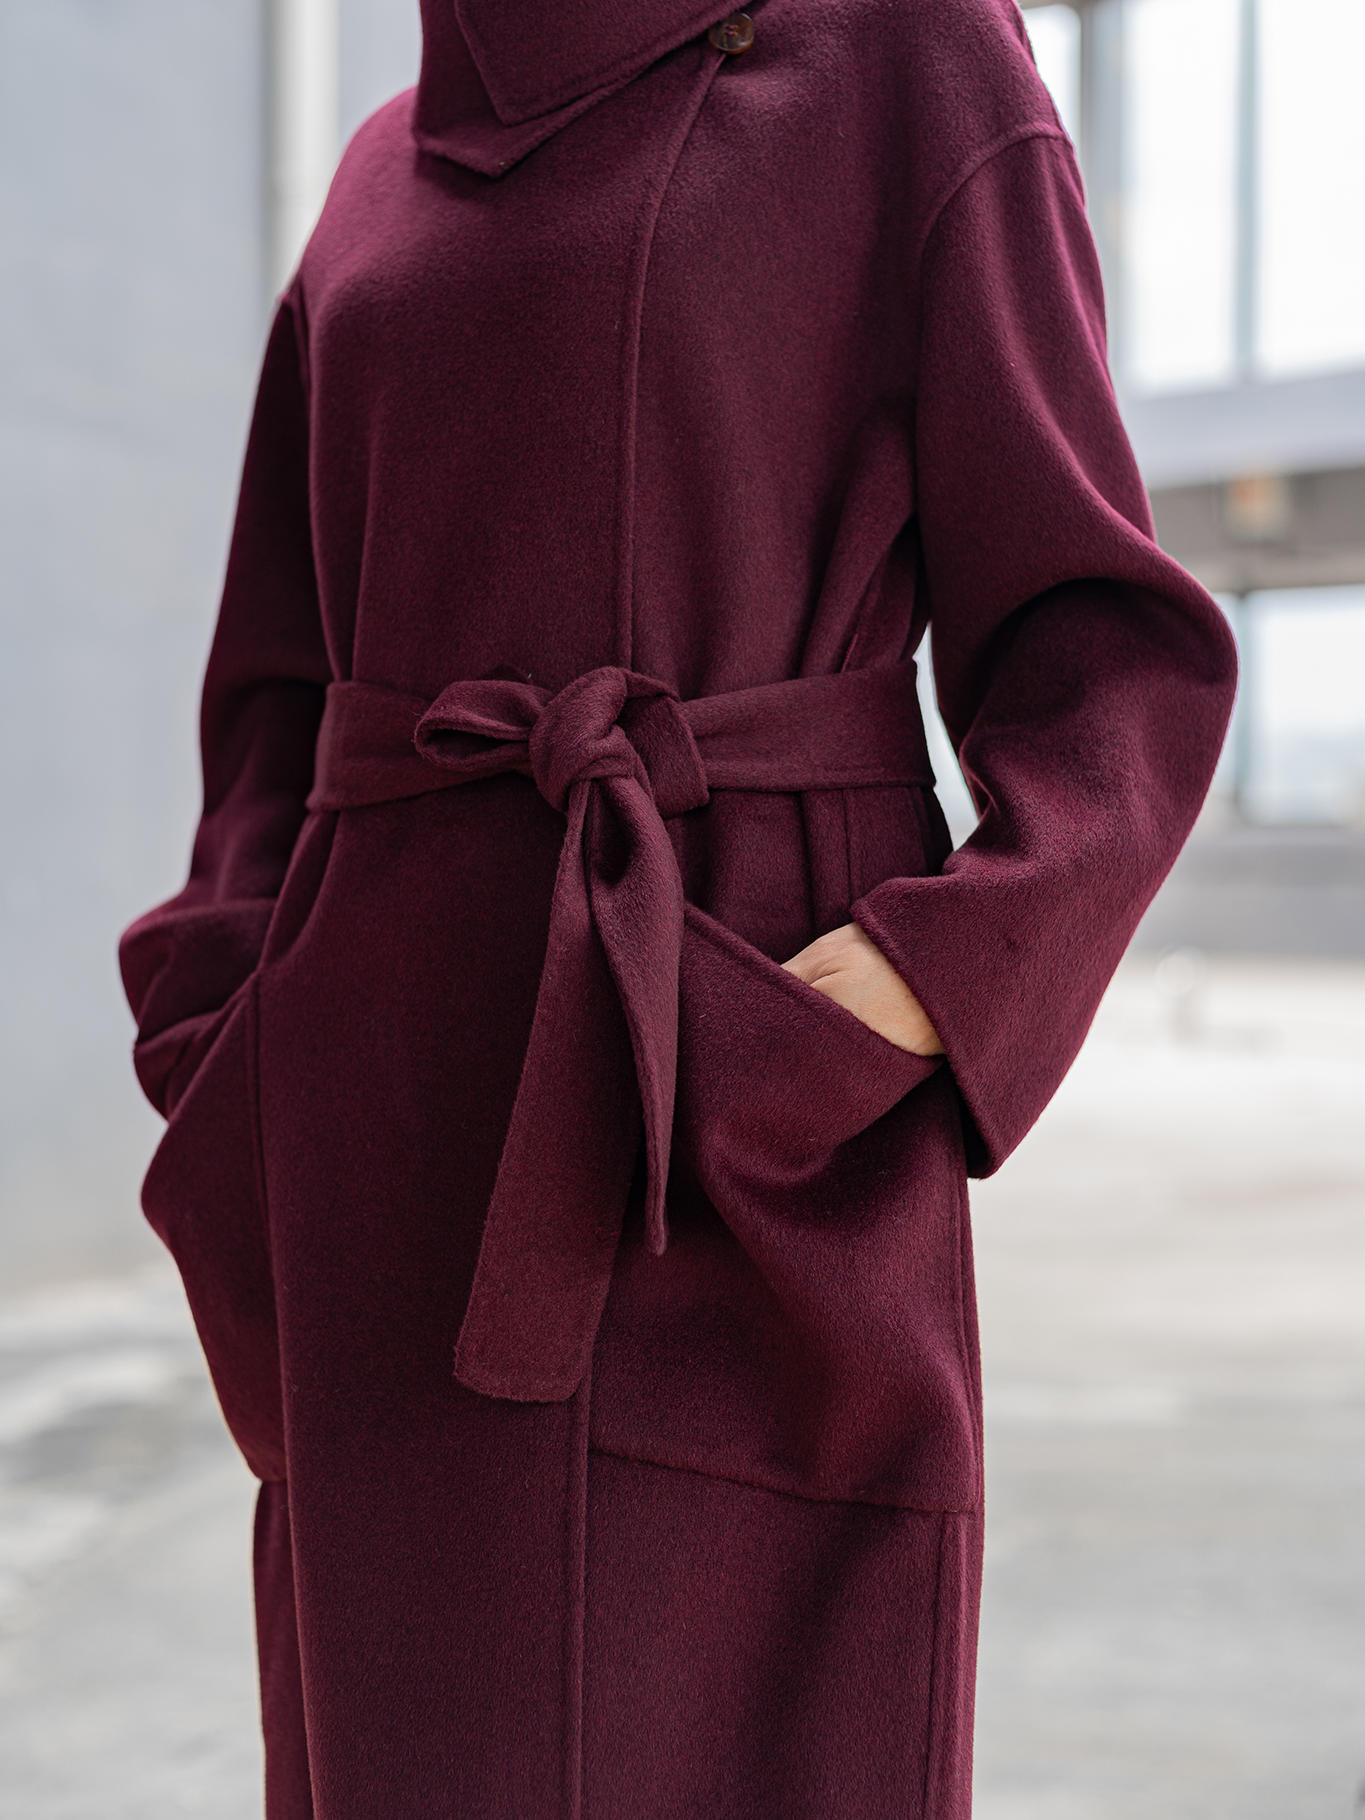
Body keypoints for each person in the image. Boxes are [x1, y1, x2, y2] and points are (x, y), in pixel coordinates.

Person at [117, 1, 1238, 1814]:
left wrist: (913, 988)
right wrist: (222, 1046)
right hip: (375, 1171)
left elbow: (1109, 651)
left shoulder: (905, 58)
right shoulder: (372, 176)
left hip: (717, 1113)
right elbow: (274, 702)